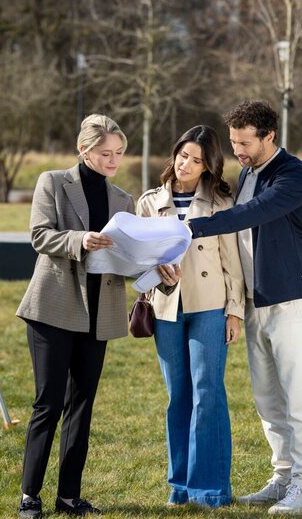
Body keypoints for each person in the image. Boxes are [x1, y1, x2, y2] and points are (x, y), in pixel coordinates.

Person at [186, 100, 302, 514]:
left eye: (246, 143)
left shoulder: (294, 175)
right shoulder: (247, 172)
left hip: (290, 300)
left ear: (269, 136)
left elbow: (253, 213)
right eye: (233, 143)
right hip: (253, 301)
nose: (238, 152)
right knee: (267, 397)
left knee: (297, 395)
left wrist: (192, 227)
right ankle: (282, 476)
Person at [15, 114, 134, 518]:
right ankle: (30, 496)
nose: (113, 160)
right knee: (48, 403)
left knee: (82, 404)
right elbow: (40, 235)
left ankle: (68, 496)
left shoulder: (124, 200)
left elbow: (126, 256)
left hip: (99, 313)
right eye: (105, 153)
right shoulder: (52, 182)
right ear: (84, 151)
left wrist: (154, 266)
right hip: (53, 305)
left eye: (118, 153)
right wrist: (80, 239)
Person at [135, 125, 245, 508]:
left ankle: (211, 489)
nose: (186, 164)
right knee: (177, 397)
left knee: (208, 394)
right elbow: (138, 260)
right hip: (166, 308)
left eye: (197, 160)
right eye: (183, 155)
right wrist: (154, 274)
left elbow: (233, 263)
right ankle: (180, 487)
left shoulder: (219, 203)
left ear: (207, 166)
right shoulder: (149, 202)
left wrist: (235, 312)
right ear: (175, 154)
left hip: (210, 307)